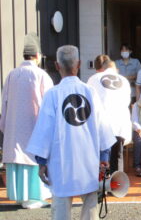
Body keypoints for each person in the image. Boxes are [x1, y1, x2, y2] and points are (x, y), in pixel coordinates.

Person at [27, 45, 116, 220]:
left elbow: (44, 130)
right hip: (88, 160)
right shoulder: (90, 92)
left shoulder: (53, 94)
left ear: (57, 66)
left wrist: (42, 162)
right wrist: (104, 157)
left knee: (60, 207)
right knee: (90, 206)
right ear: (79, 64)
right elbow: (103, 127)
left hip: (61, 162)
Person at [0, 33, 53, 209]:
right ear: (37, 56)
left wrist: (4, 126)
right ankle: (33, 197)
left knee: (18, 156)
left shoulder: (12, 74)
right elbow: (49, 102)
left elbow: (5, 102)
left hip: (14, 126)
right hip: (34, 125)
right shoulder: (41, 75)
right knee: (32, 157)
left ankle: (21, 196)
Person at [87, 57, 132, 173]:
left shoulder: (93, 79)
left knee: (101, 159)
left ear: (98, 69)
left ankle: (102, 187)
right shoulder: (124, 80)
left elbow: (89, 104)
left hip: (101, 124)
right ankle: (117, 187)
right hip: (119, 124)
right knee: (117, 157)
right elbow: (126, 101)